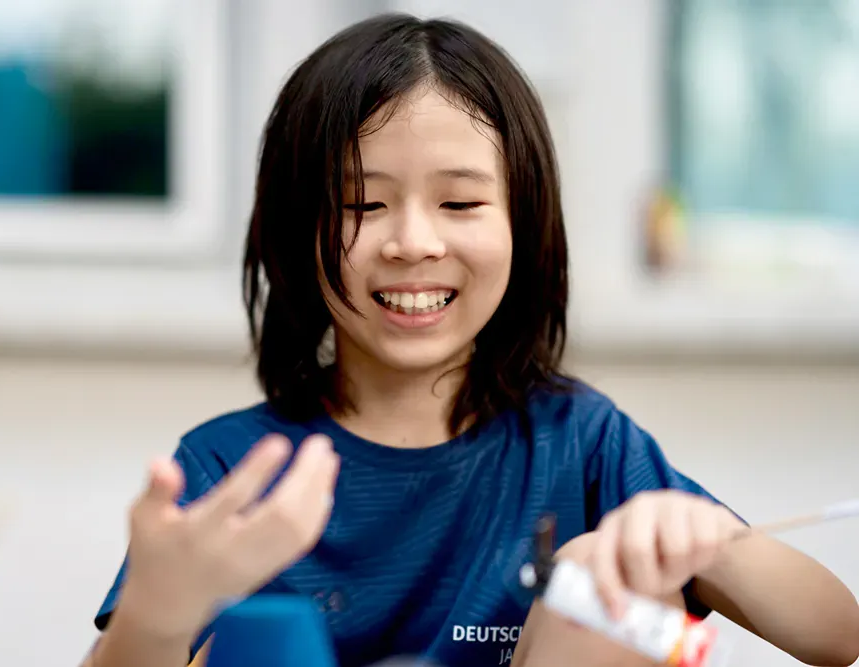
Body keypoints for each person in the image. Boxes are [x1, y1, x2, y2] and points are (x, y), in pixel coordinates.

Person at [83, 14, 859, 667]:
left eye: (459, 202)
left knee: (603, 568)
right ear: (293, 228)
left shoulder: (581, 444)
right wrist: (158, 610)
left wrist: (710, 542)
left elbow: (836, 634)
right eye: (361, 202)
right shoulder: (232, 475)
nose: (413, 241)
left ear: (525, 223)